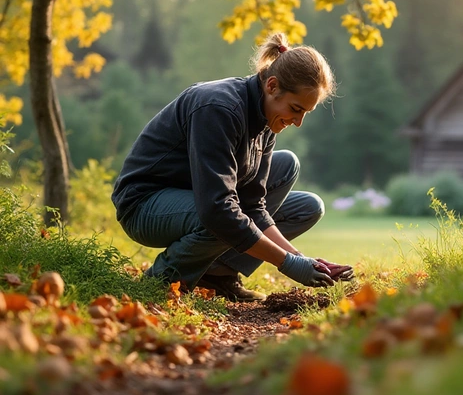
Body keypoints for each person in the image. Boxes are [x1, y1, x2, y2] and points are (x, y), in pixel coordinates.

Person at [111, 33, 353, 302]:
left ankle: (216, 275)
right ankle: (163, 282)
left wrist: (301, 259)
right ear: (272, 86)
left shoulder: (266, 119)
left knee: (303, 199)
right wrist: (286, 264)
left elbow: (252, 206)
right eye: (295, 109)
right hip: (144, 205)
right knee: (221, 216)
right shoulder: (218, 108)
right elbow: (218, 209)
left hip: (198, 200)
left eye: (305, 113)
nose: (297, 122)